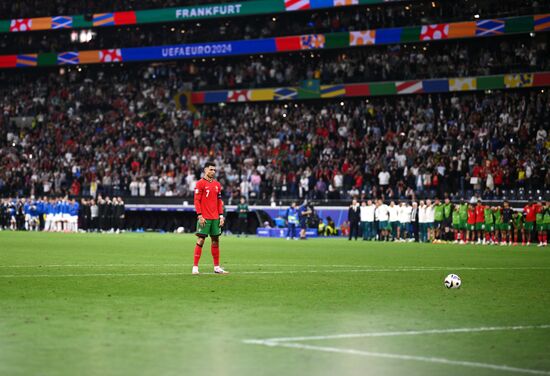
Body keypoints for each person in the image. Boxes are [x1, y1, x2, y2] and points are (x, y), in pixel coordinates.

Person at [192, 161, 228, 275]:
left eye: (214, 170)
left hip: (215, 217)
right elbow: (197, 200)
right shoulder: (200, 184)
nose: (213, 172)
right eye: (211, 169)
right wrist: (199, 215)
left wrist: (221, 216)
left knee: (215, 241)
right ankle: (195, 267)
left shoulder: (217, 185)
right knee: (201, 240)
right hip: (205, 217)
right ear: (205, 170)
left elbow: (219, 201)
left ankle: (216, 267)